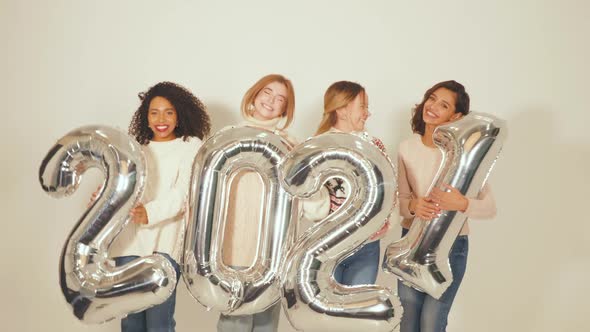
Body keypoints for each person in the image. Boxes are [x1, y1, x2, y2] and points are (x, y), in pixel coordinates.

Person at [217, 74, 330, 332]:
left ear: (285, 109)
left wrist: (302, 169)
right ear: (255, 94)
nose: (271, 101)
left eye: (280, 99)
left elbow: (315, 205)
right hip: (231, 250)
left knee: (266, 325)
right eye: (267, 92)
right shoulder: (228, 136)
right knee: (234, 322)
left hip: (275, 251)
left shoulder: (291, 145)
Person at [108, 81, 211, 332]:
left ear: (179, 115)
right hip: (129, 243)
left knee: (158, 322)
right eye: (154, 112)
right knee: (131, 321)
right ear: (146, 117)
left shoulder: (190, 146)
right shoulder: (136, 147)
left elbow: (184, 194)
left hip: (165, 243)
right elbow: (121, 185)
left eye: (169, 112)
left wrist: (150, 212)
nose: (161, 119)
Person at [396, 80, 496, 332]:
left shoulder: (464, 154)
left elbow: (490, 207)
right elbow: (401, 201)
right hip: (412, 242)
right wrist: (414, 206)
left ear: (456, 116)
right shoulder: (406, 148)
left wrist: (462, 203)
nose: (432, 107)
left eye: (443, 105)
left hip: (451, 248)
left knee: (432, 322)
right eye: (431, 98)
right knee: (408, 321)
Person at [315, 80, 389, 286]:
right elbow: (309, 198)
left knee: (358, 313)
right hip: (329, 244)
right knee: (328, 313)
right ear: (342, 110)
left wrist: (382, 221)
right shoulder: (319, 146)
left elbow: (388, 190)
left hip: (367, 246)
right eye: (363, 106)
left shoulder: (375, 145)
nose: (368, 113)